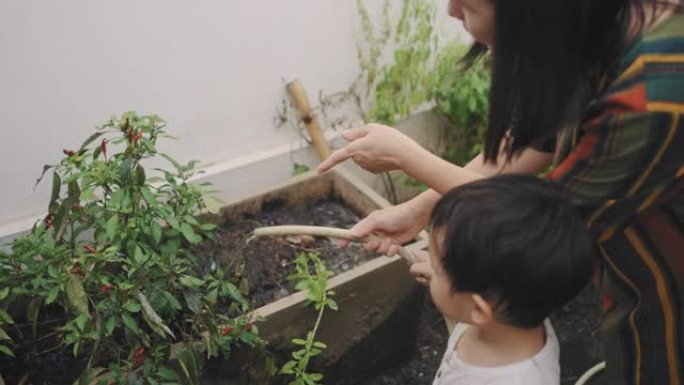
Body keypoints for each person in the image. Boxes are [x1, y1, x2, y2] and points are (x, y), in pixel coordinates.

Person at [317, 0, 684, 384]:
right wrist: (419, 209)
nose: (452, 12)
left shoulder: (653, 97)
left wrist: (408, 156)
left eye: (470, 5)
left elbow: (541, 223)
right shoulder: (589, 26)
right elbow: (536, 141)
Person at [413, 174, 595, 385]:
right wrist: (442, 276)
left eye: (437, 268)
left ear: (479, 308)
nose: (432, 268)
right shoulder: (514, 307)